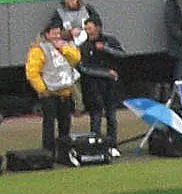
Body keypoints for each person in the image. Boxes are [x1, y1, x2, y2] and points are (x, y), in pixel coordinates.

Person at [25, 23, 81, 153]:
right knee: (49, 123)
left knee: (65, 123)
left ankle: (64, 150)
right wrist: (42, 89)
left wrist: (63, 49)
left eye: (58, 33)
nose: (57, 36)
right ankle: (48, 151)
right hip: (49, 92)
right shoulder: (39, 49)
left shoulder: (66, 45)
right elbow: (32, 72)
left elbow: (76, 59)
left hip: (65, 92)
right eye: (53, 34)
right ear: (47, 34)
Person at [78, 17, 127, 158]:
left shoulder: (109, 41)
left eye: (90, 28)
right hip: (93, 86)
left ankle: (112, 145)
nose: (88, 32)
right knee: (96, 116)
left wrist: (105, 49)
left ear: (98, 28)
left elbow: (122, 54)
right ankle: (96, 145)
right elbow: (84, 68)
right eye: (86, 29)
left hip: (111, 86)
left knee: (111, 115)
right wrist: (106, 73)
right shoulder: (84, 46)